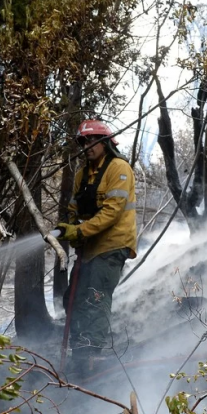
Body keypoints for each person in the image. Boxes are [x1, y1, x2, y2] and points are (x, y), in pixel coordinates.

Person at [55, 119, 138, 378]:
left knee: (95, 298)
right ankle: (79, 353)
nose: (87, 146)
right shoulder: (82, 175)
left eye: (92, 141)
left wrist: (79, 232)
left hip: (113, 246)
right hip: (89, 248)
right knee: (73, 298)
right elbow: (72, 210)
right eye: (83, 142)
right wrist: (70, 227)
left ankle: (92, 358)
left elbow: (112, 212)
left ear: (106, 142)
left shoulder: (119, 169)